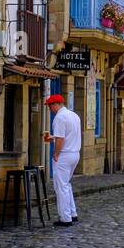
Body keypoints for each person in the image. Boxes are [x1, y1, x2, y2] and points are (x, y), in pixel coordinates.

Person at [45, 93, 81, 227]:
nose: (50, 109)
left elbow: (61, 139)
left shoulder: (60, 117)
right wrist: (53, 138)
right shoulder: (74, 115)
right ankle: (72, 213)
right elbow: (68, 135)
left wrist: (55, 153)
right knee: (66, 184)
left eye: (50, 106)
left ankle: (65, 218)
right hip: (75, 153)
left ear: (55, 105)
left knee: (61, 186)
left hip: (64, 155)